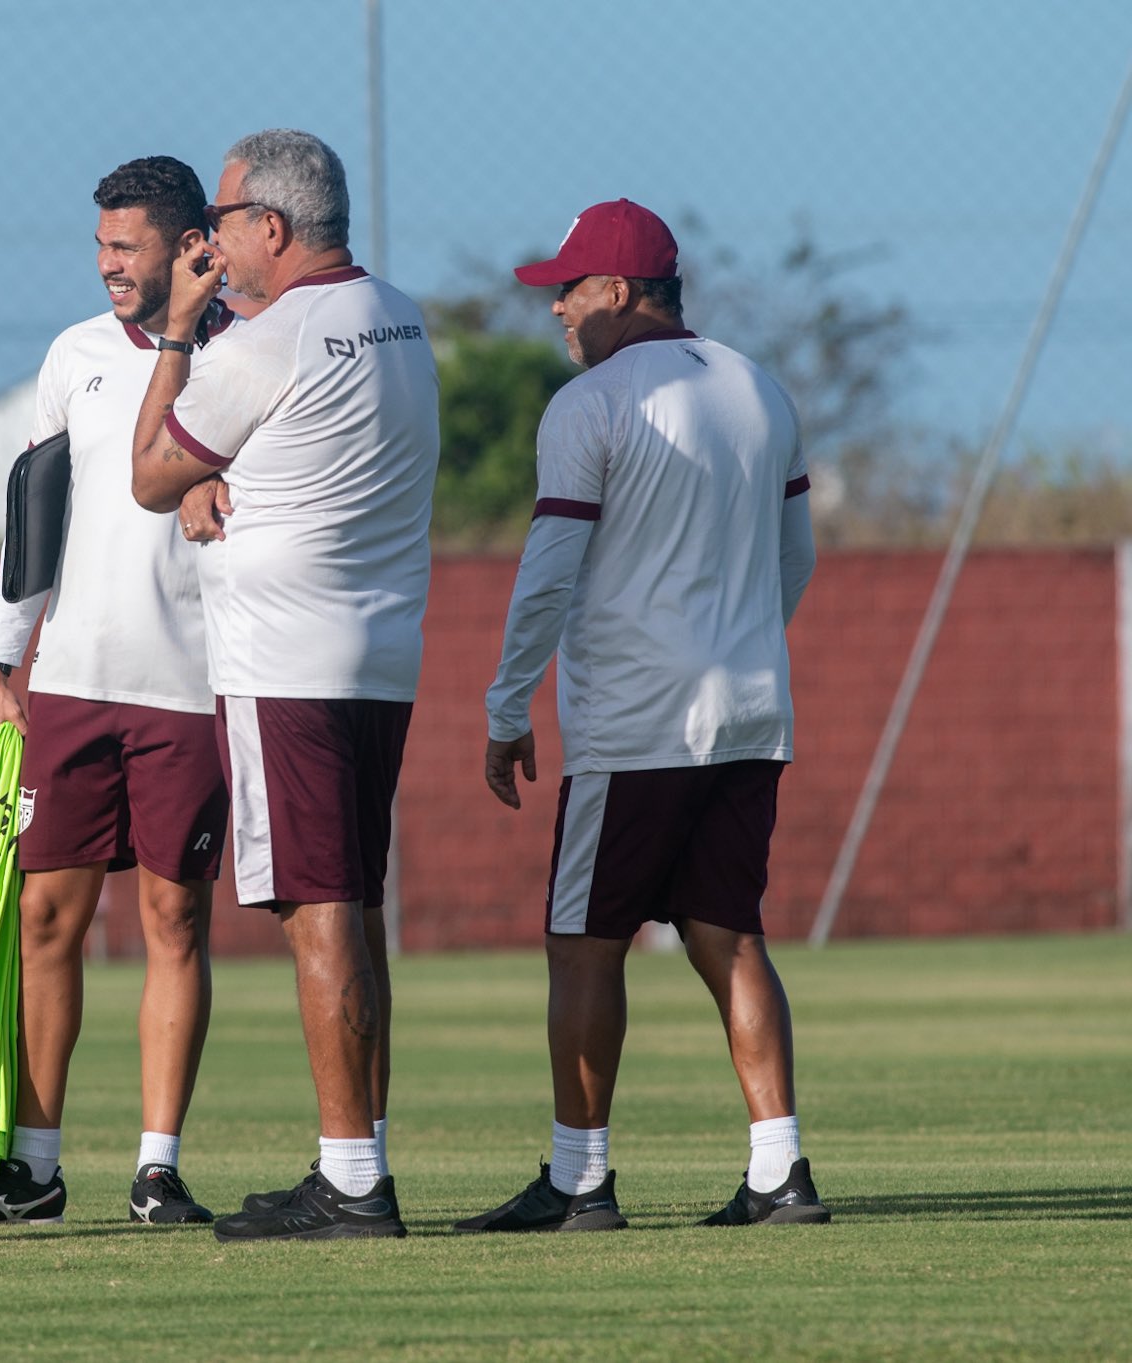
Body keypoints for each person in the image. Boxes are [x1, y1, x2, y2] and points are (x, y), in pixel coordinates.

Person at [457, 199, 827, 1233]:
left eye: (567, 291)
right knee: (732, 939)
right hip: (749, 715)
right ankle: (778, 1172)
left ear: (617, 293)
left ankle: (579, 1181)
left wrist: (503, 703)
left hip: (632, 725)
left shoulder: (590, 404)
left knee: (581, 942)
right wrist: (741, 638)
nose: (557, 313)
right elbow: (794, 560)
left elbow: (546, 572)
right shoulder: (759, 388)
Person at [0, 156, 235, 1230]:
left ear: (191, 245)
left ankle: (156, 1167)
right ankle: (33, 1169)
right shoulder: (73, 356)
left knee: (171, 918)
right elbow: (32, 522)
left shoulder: (246, 353)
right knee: (44, 917)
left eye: (125, 245)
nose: (106, 264)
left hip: (191, 691)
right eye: (99, 245)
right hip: (70, 688)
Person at [131, 129, 439, 1241]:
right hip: (379, 653)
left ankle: (352, 1181)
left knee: (317, 914)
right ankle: (357, 1158)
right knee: (350, 908)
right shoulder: (398, 317)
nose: (204, 238)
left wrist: (175, 330)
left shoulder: (266, 341)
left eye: (218, 219)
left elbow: (147, 471)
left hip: (283, 664)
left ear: (272, 227)